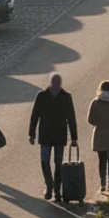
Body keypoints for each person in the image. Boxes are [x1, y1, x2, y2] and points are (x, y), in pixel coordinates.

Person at [28, 72, 77, 201]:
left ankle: (56, 190)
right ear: (50, 82)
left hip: (59, 136)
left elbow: (71, 118)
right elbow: (35, 115)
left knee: (58, 163)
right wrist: (32, 133)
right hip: (45, 135)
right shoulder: (41, 96)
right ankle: (49, 186)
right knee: (45, 162)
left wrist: (74, 138)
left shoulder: (66, 97)